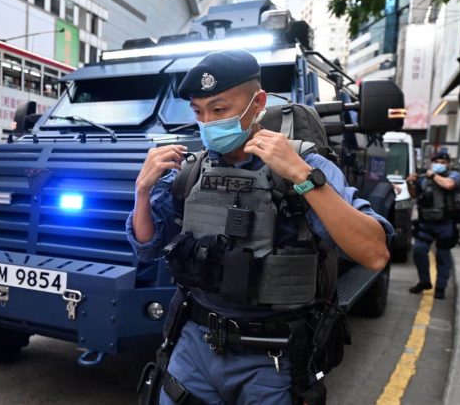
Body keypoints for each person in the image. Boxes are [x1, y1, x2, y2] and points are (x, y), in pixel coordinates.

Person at [128, 49, 393, 404]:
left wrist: (301, 176)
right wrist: (142, 193)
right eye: (198, 111)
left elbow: (374, 253)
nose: (207, 122)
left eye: (219, 110)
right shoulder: (191, 170)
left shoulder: (305, 165)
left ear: (258, 103)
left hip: (272, 357)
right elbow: (146, 248)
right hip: (194, 344)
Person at [406, 151, 460, 300]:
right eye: (437, 161)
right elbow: (414, 194)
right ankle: (424, 281)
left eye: (443, 162)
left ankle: (440, 287)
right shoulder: (425, 178)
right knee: (418, 252)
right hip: (425, 223)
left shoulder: (454, 175)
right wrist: (410, 182)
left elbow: (449, 185)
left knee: (443, 257)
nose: (439, 164)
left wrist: (433, 175)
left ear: (448, 164)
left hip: (446, 224)